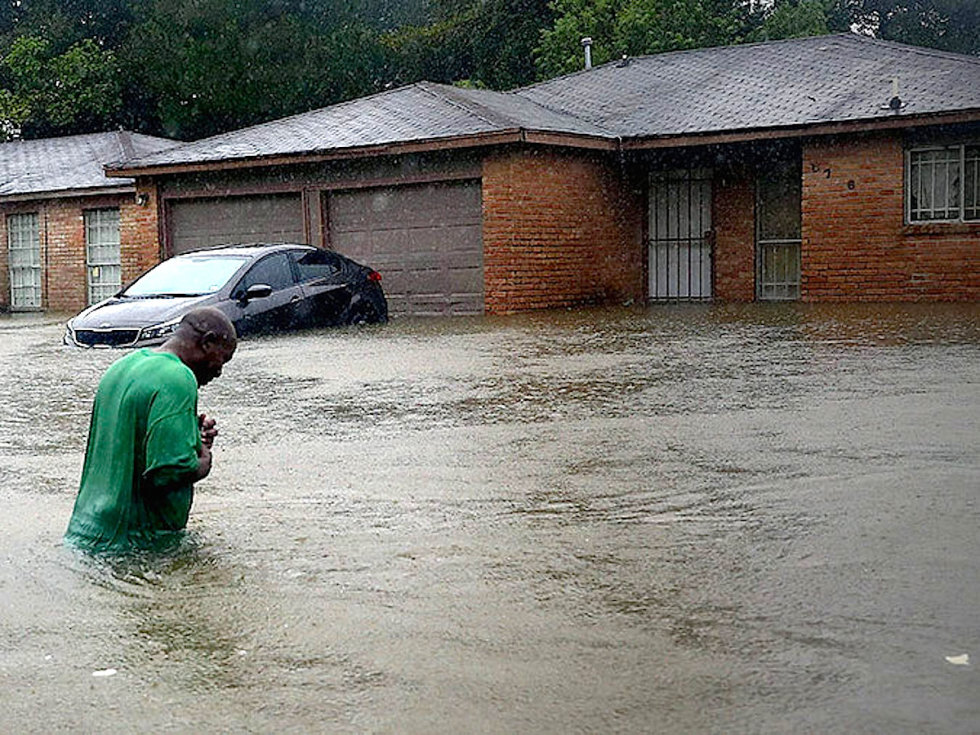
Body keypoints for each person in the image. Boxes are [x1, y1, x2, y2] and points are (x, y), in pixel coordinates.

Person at [64, 307, 237, 552]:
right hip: (135, 542)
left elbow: (127, 441)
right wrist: (204, 461)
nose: (219, 372)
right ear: (208, 342)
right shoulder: (178, 377)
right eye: (223, 359)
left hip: (89, 531)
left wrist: (188, 433)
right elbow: (169, 469)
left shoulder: (124, 366)